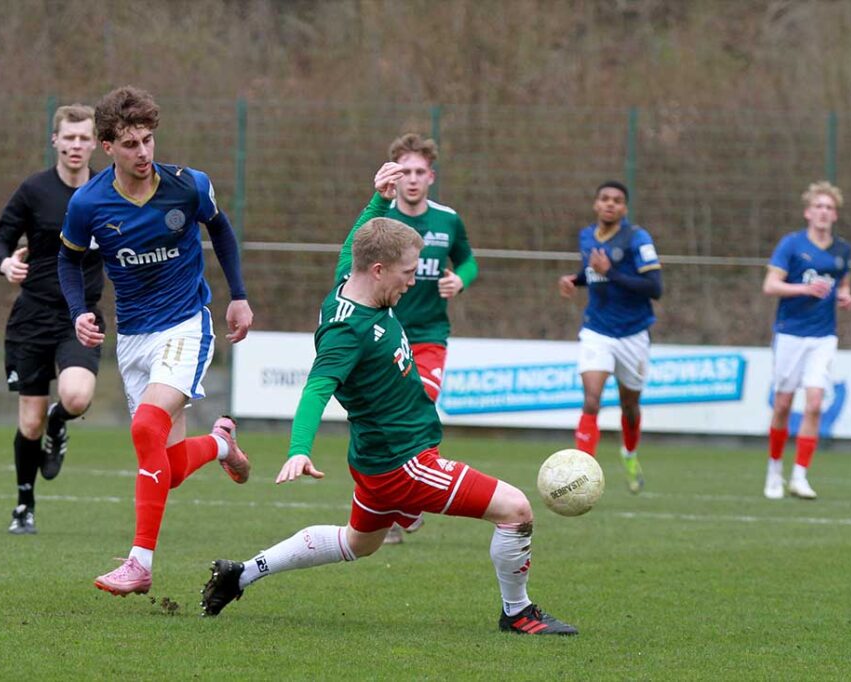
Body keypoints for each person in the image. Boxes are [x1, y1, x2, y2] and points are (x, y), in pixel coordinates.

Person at [200, 217, 577, 636]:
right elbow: (316, 389)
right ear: (378, 270)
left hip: (375, 458)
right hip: (404, 463)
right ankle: (518, 613)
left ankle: (242, 573)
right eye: (409, 272)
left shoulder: (351, 280)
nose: (413, 282)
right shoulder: (347, 331)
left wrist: (379, 198)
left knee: (357, 542)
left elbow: (355, 240)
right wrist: (299, 449)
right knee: (515, 510)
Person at [57, 86, 254, 595]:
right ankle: (220, 444)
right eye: (130, 144)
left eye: (148, 140)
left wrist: (238, 296)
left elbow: (222, 231)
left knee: (146, 426)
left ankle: (139, 563)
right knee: (167, 468)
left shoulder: (188, 186)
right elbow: (68, 259)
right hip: (133, 337)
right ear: (107, 147)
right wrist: (79, 312)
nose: (143, 152)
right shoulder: (89, 202)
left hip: (186, 325)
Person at [335, 133, 479, 544]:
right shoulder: (380, 226)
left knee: (422, 400)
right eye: (405, 172)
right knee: (387, 419)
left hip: (429, 336)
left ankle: (405, 503)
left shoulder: (448, 220)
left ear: (431, 176)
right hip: (382, 337)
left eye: (419, 172)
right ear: (394, 177)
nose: (412, 180)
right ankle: (396, 506)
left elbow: (468, 261)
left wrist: (460, 280)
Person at [0, 103, 104, 535]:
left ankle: (61, 422)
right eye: (68, 137)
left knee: (76, 398)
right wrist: (6, 265)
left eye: (84, 137)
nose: (76, 145)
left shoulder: (108, 192)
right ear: (55, 140)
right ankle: (24, 506)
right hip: (33, 317)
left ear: (96, 144)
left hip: (81, 316)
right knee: (29, 421)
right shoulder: (34, 190)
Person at [557, 181, 663, 494]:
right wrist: (574, 280)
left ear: (624, 208)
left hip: (633, 333)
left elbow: (655, 288)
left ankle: (629, 454)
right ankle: (582, 474)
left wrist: (612, 272)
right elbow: (591, 273)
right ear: (596, 204)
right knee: (591, 400)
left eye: (617, 200)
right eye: (604, 199)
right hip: (597, 330)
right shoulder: (586, 236)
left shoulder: (637, 238)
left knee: (630, 407)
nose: (610, 204)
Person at [761, 181, 851, 500]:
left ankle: (800, 476)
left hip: (823, 336)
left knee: (814, 403)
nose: (824, 212)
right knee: (783, 405)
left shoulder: (842, 250)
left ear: (835, 215)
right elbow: (770, 285)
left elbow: (842, 284)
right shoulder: (791, 244)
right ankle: (774, 470)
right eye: (819, 206)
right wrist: (803, 289)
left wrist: (845, 295)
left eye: (829, 208)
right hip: (790, 333)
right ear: (808, 212)